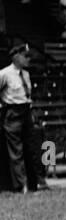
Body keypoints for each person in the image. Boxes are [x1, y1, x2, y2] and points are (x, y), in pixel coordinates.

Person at [1, 42, 48, 193]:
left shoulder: (26, 74)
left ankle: (39, 181)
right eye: (25, 56)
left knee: (33, 148)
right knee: (17, 151)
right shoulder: (4, 74)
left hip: (26, 112)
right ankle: (22, 185)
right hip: (13, 113)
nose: (28, 59)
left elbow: (28, 96)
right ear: (16, 57)